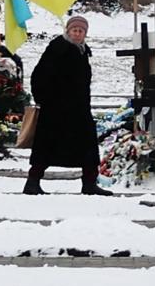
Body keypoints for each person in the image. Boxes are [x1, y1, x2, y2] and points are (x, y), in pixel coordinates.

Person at [23, 14, 113, 196]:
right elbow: (39, 75)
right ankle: (32, 182)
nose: (77, 34)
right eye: (75, 30)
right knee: (47, 147)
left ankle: (89, 183)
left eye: (81, 31)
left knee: (88, 148)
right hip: (56, 110)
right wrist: (44, 99)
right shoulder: (58, 48)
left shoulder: (82, 50)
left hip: (78, 110)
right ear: (68, 31)